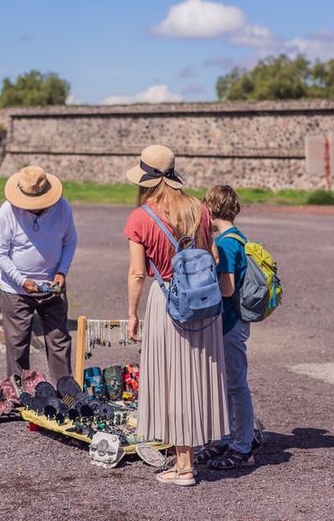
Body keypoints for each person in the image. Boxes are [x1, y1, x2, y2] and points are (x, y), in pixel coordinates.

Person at [123, 145, 228, 487]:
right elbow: (213, 257)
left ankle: (184, 467)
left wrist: (132, 314)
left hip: (167, 300)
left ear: (146, 180)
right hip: (202, 301)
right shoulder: (199, 209)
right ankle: (189, 455)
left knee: (173, 379)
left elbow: (138, 273)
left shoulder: (141, 217)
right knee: (195, 376)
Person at [0, 165, 77, 385]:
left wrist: (61, 271)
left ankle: (65, 392)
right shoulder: (6, 212)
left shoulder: (63, 208)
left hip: (52, 285)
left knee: (59, 340)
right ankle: (19, 394)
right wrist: (22, 281)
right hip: (17, 289)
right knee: (17, 342)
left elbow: (69, 241)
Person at [196, 185, 256, 469]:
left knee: (235, 384)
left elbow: (228, 288)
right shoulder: (238, 237)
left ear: (211, 208)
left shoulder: (225, 244)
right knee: (226, 384)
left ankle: (243, 446)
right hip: (235, 323)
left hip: (230, 323)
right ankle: (227, 438)